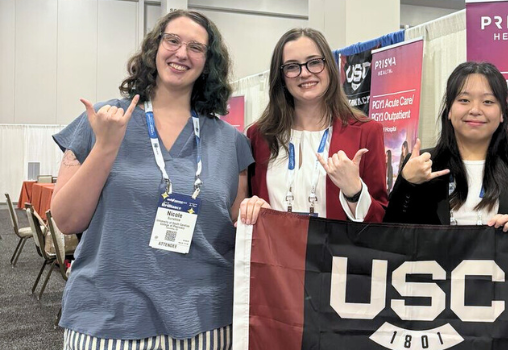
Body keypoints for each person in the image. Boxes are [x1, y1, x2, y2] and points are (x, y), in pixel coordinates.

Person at [50, 10, 252, 348]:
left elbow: (237, 226)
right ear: (154, 48)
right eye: (172, 40)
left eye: (196, 47)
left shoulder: (232, 143)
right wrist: (106, 147)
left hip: (206, 322)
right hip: (108, 320)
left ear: (209, 62)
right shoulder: (102, 120)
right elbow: (67, 220)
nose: (182, 53)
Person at [239, 28, 388, 224]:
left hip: (335, 253)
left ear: (329, 67)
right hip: (273, 252)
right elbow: (248, 205)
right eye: (292, 66)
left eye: (314, 62)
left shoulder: (366, 131)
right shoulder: (260, 135)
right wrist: (252, 208)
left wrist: (354, 191)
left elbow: (380, 220)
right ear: (281, 76)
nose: (305, 73)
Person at [384, 61, 508, 230]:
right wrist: (408, 183)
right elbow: (390, 234)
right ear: (449, 110)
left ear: (503, 113)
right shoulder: (422, 164)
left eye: (488, 102)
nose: (475, 110)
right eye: (464, 100)